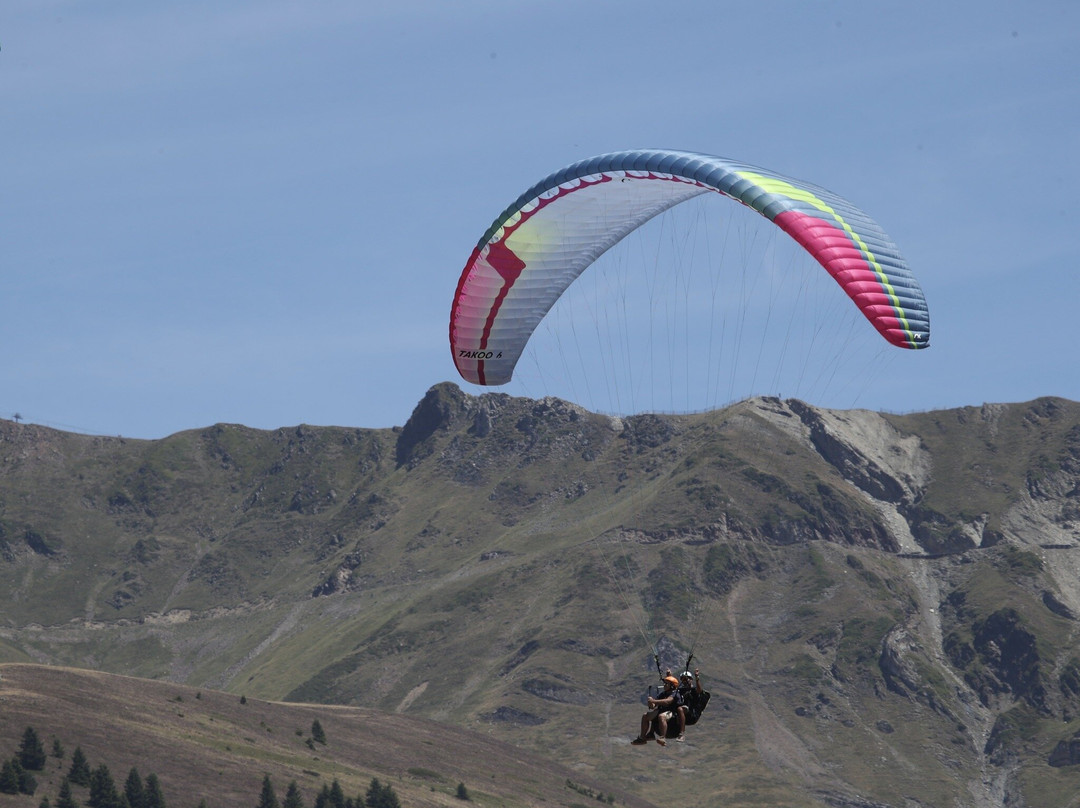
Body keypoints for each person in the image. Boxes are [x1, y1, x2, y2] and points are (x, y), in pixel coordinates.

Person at [631, 674, 684, 746]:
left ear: (672, 686)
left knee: (661, 716)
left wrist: (653, 701)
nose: (664, 685)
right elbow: (654, 706)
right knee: (645, 716)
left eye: (666, 684)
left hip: (672, 713)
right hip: (662, 711)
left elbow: (667, 701)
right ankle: (642, 738)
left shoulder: (675, 693)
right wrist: (651, 703)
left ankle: (662, 737)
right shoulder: (663, 694)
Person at [674, 668, 707, 741]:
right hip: (681, 714)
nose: (685, 681)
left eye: (687, 679)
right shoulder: (680, 691)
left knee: (680, 709)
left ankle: (682, 734)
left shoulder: (694, 690)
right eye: (683, 679)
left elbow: (699, 691)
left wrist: (697, 678)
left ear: (691, 679)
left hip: (691, 713)